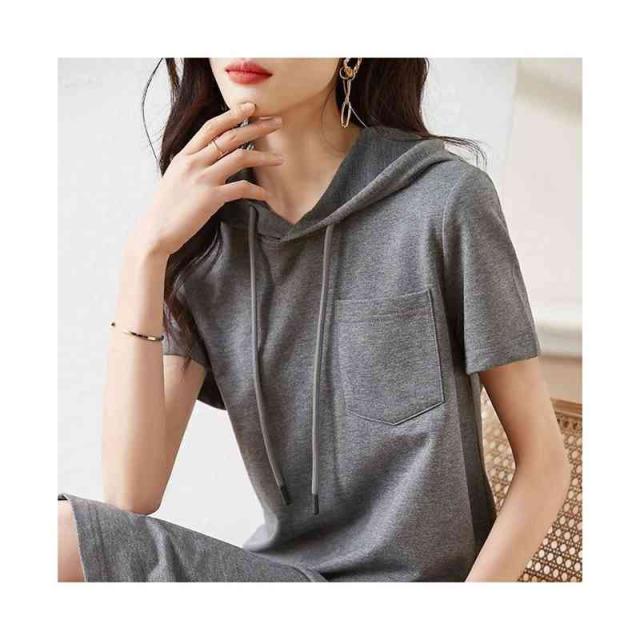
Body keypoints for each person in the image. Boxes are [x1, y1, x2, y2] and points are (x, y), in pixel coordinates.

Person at [58, 58, 571, 582]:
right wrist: (145, 254)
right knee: (57, 538)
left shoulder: (443, 203)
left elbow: (545, 466)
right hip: (283, 580)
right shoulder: (209, 237)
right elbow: (132, 492)